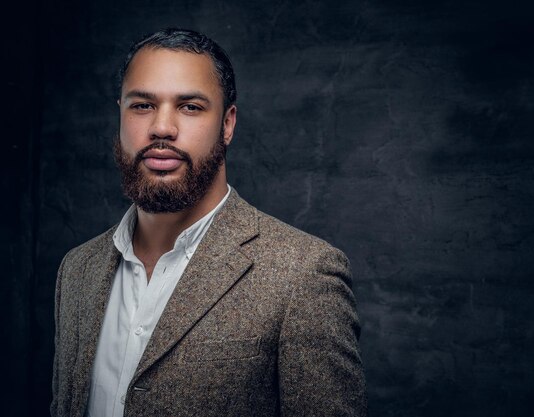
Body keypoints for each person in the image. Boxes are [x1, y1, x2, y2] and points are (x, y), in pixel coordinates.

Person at [50, 28, 367, 417]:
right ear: (120, 113)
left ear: (228, 123)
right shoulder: (77, 270)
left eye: (190, 107)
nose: (162, 127)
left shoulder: (304, 276)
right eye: (142, 105)